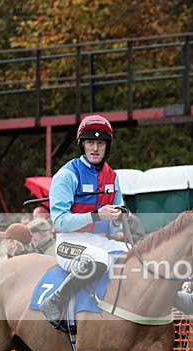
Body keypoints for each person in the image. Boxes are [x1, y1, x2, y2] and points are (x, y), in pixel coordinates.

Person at [39, 114, 127, 333]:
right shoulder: (67, 175)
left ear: (107, 146)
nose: (95, 148)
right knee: (100, 259)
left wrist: (119, 217)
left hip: (100, 240)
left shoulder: (113, 177)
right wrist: (97, 215)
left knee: (132, 255)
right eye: (90, 142)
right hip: (68, 241)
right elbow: (59, 220)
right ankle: (55, 301)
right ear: (82, 144)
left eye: (100, 143)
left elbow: (116, 223)